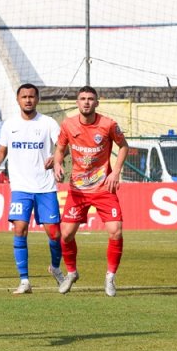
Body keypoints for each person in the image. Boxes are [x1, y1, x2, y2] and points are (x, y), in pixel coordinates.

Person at [0, 83, 64, 294]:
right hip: (20, 187)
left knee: (54, 234)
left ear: (37, 99)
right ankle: (24, 281)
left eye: (31, 96)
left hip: (45, 186)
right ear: (18, 100)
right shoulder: (10, 125)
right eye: (24, 96)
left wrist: (56, 158)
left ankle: (55, 268)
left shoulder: (48, 123)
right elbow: (1, 152)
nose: (28, 100)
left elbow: (63, 146)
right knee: (19, 229)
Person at [53, 86, 129, 297]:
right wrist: (58, 164)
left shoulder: (108, 124)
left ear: (97, 103)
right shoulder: (68, 125)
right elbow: (60, 149)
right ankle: (71, 273)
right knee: (66, 234)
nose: (86, 102)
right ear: (77, 103)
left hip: (104, 187)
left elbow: (123, 146)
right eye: (82, 99)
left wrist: (116, 172)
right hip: (78, 189)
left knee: (116, 230)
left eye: (90, 99)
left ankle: (110, 277)